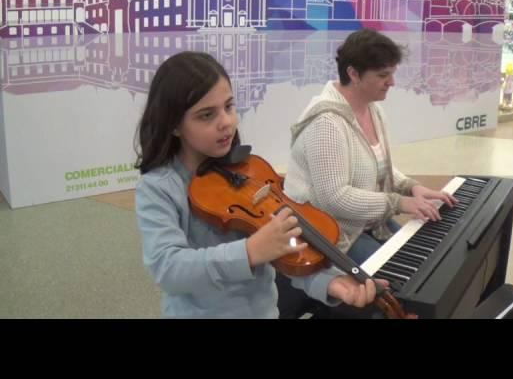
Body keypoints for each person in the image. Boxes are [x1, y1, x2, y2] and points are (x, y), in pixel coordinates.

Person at [134, 51, 383, 318]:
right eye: (206, 115)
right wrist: (249, 251)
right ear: (174, 126)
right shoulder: (158, 188)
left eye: (229, 107)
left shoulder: (246, 171)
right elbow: (167, 269)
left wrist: (329, 281)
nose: (226, 122)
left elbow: (287, 252)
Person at [284, 29, 457, 266]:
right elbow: (333, 199)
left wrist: (410, 187)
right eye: (383, 75)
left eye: (392, 73)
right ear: (353, 74)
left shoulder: (372, 109)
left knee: (423, 263)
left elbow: (378, 166)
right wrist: (398, 203)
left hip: (365, 222)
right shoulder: (325, 123)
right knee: (402, 277)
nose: (392, 82)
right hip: (331, 232)